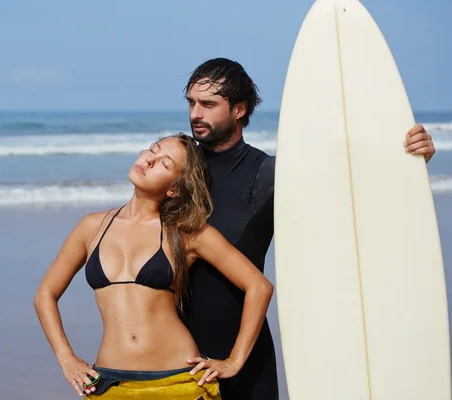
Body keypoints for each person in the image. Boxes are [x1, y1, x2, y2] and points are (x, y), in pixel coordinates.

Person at [180, 57, 438, 400]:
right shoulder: (174, 168)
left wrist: (411, 159)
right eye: (192, 103)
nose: (196, 113)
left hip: (242, 349)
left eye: (208, 104)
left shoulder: (270, 174)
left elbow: (352, 192)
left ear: (239, 109)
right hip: (175, 347)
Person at [34, 133, 275, 398]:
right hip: (110, 382)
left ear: (174, 188)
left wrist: (234, 361)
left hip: (178, 381)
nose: (149, 160)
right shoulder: (92, 227)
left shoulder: (186, 233)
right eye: (152, 150)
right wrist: (66, 358)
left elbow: (258, 286)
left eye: (165, 163)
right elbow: (45, 294)